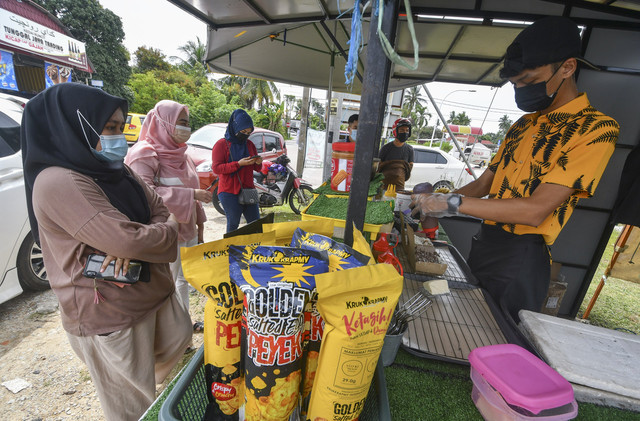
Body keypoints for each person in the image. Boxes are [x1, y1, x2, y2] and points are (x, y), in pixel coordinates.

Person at [410, 16, 619, 322]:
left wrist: (452, 203)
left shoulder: (595, 129)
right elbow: (483, 185)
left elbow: (535, 211)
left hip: (522, 256)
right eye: (515, 84)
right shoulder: (523, 125)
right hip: (486, 242)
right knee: (467, 321)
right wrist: (436, 205)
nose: (521, 90)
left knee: (501, 335)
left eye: (529, 81)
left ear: (567, 67)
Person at [20, 83, 192, 421]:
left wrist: (155, 233)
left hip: (151, 295)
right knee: (134, 408)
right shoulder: (59, 181)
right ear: (73, 126)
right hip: (109, 312)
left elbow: (160, 212)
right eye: (109, 128)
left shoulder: (117, 170)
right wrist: (158, 233)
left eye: (120, 127)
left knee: (176, 346)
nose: (118, 138)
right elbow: (130, 240)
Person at [125, 100, 211, 331]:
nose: (186, 128)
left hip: (187, 230)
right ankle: (176, 331)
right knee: (167, 282)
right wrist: (191, 193)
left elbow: (195, 197)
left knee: (182, 280)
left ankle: (182, 326)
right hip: (162, 231)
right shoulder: (144, 153)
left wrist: (200, 226)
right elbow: (143, 194)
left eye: (187, 123)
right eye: (181, 123)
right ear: (164, 123)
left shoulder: (183, 155)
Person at [211, 109, 263, 232]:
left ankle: (255, 250)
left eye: (248, 132)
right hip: (229, 191)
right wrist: (238, 164)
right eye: (243, 131)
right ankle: (231, 250)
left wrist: (258, 163)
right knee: (233, 224)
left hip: (248, 189)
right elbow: (216, 168)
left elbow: (257, 168)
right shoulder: (221, 145)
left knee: (256, 225)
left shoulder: (249, 145)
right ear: (234, 127)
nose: (245, 135)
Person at [378, 117, 414, 190]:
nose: (405, 133)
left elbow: (409, 168)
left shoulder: (410, 149)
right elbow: (378, 167)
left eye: (407, 130)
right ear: (395, 131)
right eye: (402, 130)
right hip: (384, 187)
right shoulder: (385, 148)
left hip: (400, 188)